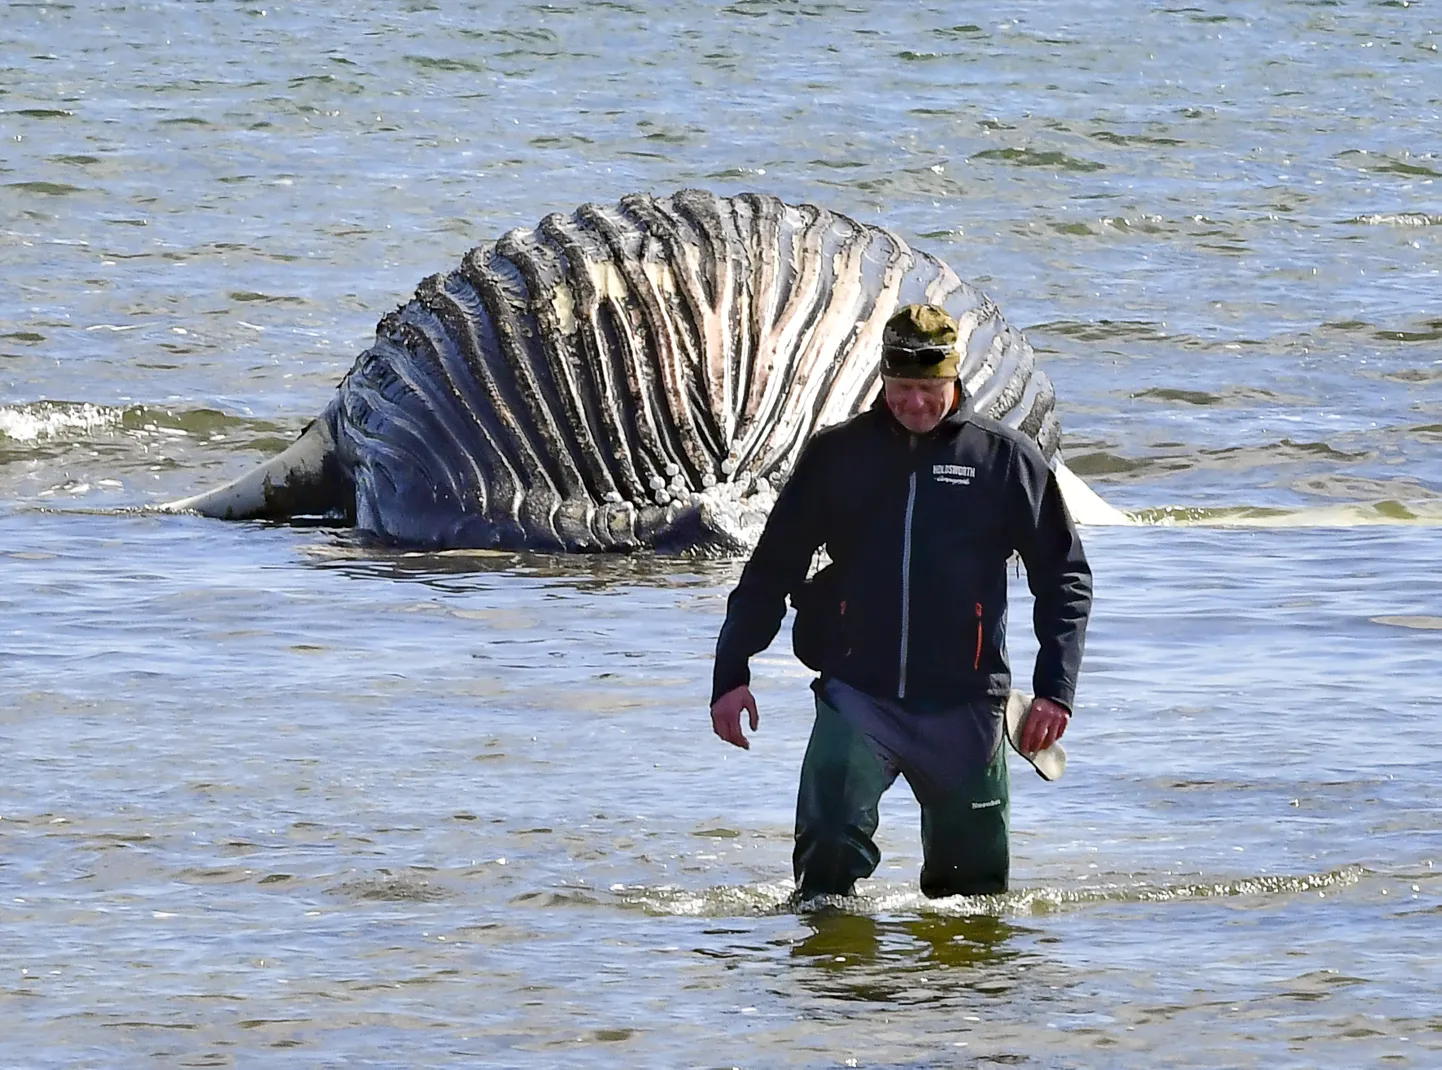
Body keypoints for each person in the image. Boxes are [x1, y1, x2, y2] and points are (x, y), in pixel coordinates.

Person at [708, 303, 1093, 899]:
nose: (915, 404)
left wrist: (1055, 689)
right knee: (826, 870)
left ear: (955, 380)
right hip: (859, 694)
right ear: (882, 379)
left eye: (929, 389)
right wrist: (731, 672)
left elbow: (1065, 579)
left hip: (966, 703)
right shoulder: (837, 456)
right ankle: (831, 984)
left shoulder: (1004, 461)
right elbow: (769, 571)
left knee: (972, 906)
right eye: (902, 388)